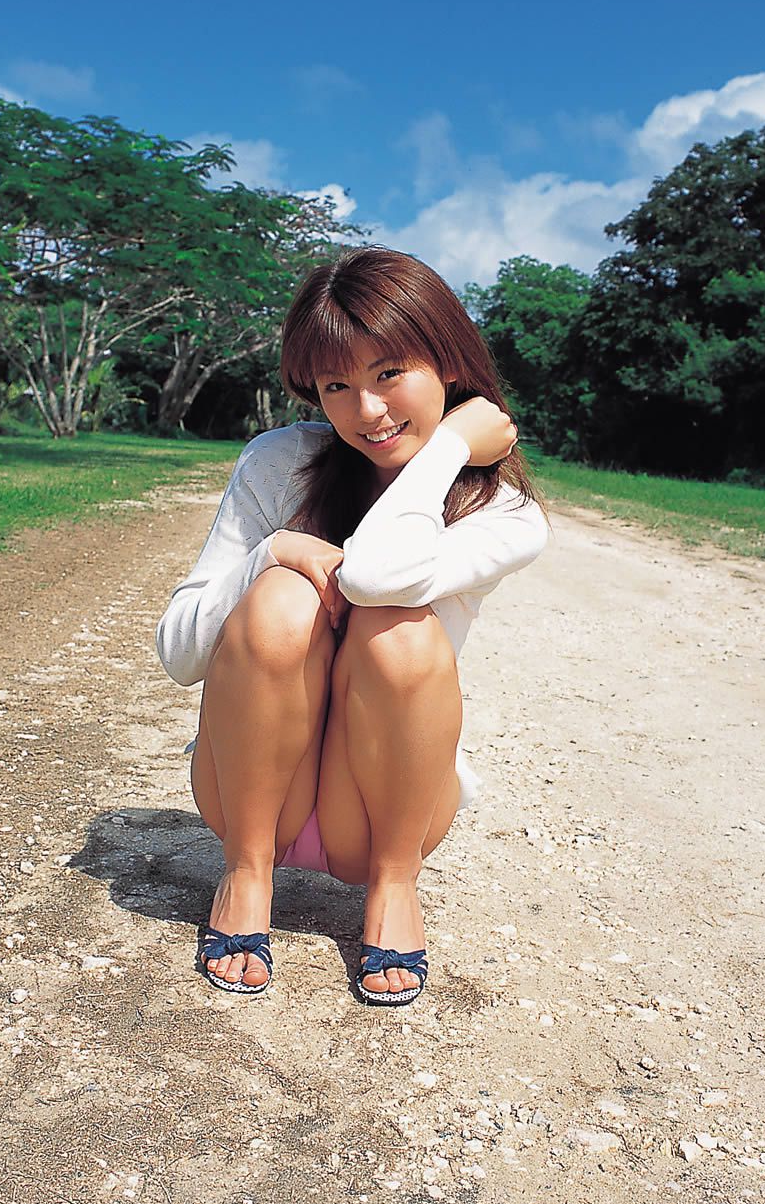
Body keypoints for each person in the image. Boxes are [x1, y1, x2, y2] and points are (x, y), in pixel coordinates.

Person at [155, 246, 550, 1006]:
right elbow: (178, 653)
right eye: (337, 385)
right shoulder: (280, 463)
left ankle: (396, 888)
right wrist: (272, 552)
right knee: (282, 594)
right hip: (249, 799)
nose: (367, 411)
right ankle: (246, 875)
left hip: (379, 817)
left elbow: (375, 578)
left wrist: (445, 452)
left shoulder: (506, 516)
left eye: (389, 374)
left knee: (397, 627)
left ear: (451, 367)